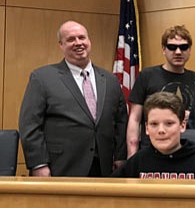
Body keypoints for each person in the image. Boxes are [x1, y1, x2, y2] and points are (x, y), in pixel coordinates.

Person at [19, 20, 128, 177]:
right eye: (71, 39)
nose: (78, 43)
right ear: (61, 45)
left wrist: (120, 156)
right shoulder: (42, 78)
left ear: (89, 41)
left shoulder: (110, 79)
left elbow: (121, 121)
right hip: (61, 167)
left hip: (104, 168)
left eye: (82, 37)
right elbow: (30, 124)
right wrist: (38, 164)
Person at [126, 25, 195, 157]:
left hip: (185, 152)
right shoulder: (147, 76)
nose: (178, 52)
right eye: (172, 47)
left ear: (189, 50)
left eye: (183, 47)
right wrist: (132, 155)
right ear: (163, 49)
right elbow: (134, 118)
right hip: (150, 151)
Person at [113, 92, 195, 179]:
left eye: (169, 124)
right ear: (147, 129)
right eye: (154, 124)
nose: (161, 130)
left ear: (182, 126)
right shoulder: (138, 161)